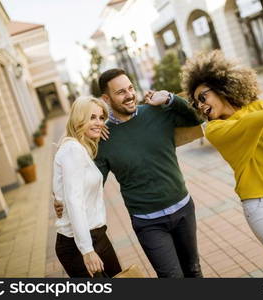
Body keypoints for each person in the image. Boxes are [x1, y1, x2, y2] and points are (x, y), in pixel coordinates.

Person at [56, 69, 203, 278]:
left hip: (183, 209)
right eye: (121, 92)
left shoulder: (157, 112)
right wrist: (62, 197)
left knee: (194, 270)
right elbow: (91, 181)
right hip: (148, 222)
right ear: (106, 99)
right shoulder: (104, 138)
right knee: (172, 277)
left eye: (131, 88)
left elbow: (196, 118)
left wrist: (170, 98)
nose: (130, 95)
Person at [181, 50, 263, 278]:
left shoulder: (260, 107)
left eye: (203, 97)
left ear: (221, 86)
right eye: (196, 103)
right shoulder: (215, 129)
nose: (200, 105)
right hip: (261, 206)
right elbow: (245, 126)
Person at [53, 96, 122, 278]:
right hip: (78, 243)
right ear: (78, 119)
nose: (99, 122)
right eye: (92, 117)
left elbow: (64, 190)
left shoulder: (79, 148)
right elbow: (74, 201)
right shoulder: (73, 150)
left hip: (96, 236)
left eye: (101, 118)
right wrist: (87, 250)